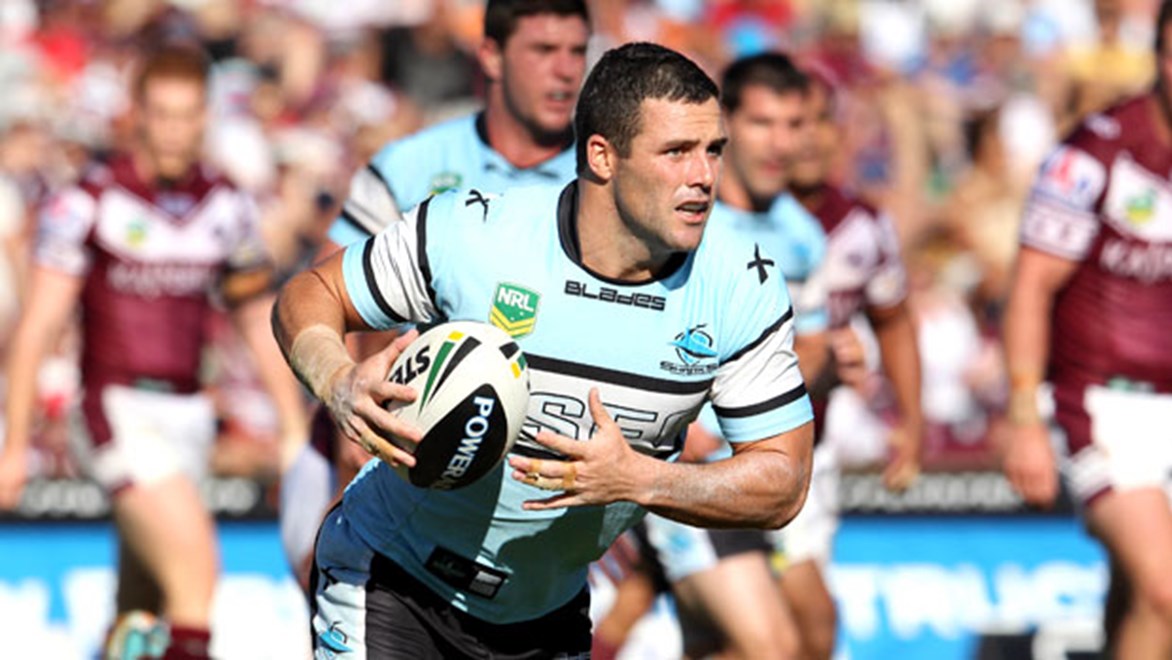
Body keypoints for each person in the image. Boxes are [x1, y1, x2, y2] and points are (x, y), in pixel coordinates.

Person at [272, 42, 815, 658]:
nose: (704, 176)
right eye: (676, 152)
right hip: (394, 580)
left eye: (713, 149)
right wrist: (336, 379)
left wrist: (643, 479)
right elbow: (311, 293)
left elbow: (784, 481)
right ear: (602, 156)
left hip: (547, 612)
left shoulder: (741, 287)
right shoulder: (475, 235)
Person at [0, 45, 308, 660]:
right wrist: (14, 447)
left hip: (189, 414)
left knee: (139, 610)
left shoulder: (225, 203)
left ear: (204, 118)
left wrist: (293, 428)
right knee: (196, 574)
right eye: (162, 114)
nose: (173, 130)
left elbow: (255, 319)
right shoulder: (88, 201)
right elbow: (37, 326)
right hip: (115, 409)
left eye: (187, 115)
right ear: (137, 115)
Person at [278, 0, 591, 588]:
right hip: (384, 440)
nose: (565, 70)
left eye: (577, 51)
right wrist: (353, 401)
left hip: (526, 473)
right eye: (544, 50)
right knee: (330, 588)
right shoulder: (410, 164)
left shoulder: (597, 182)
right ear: (491, 55)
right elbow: (328, 290)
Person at [598, 51, 829, 660]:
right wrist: (680, 415)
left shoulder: (802, 235)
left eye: (794, 125)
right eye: (762, 124)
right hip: (686, 462)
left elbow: (811, 345)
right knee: (771, 646)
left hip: (755, 465)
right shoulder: (681, 219)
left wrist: (824, 367)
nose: (780, 143)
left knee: (810, 630)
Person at [1002, 2, 1172, 656]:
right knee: (1165, 590)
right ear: (1160, 58)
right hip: (1101, 403)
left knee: (1138, 596)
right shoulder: (1095, 153)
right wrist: (1024, 417)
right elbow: (1030, 285)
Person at [784, 65, 923, 660]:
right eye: (792, 123)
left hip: (814, 455)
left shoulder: (864, 225)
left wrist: (910, 422)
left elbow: (893, 319)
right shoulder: (720, 221)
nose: (808, 137)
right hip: (727, 450)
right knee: (809, 624)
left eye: (820, 120)